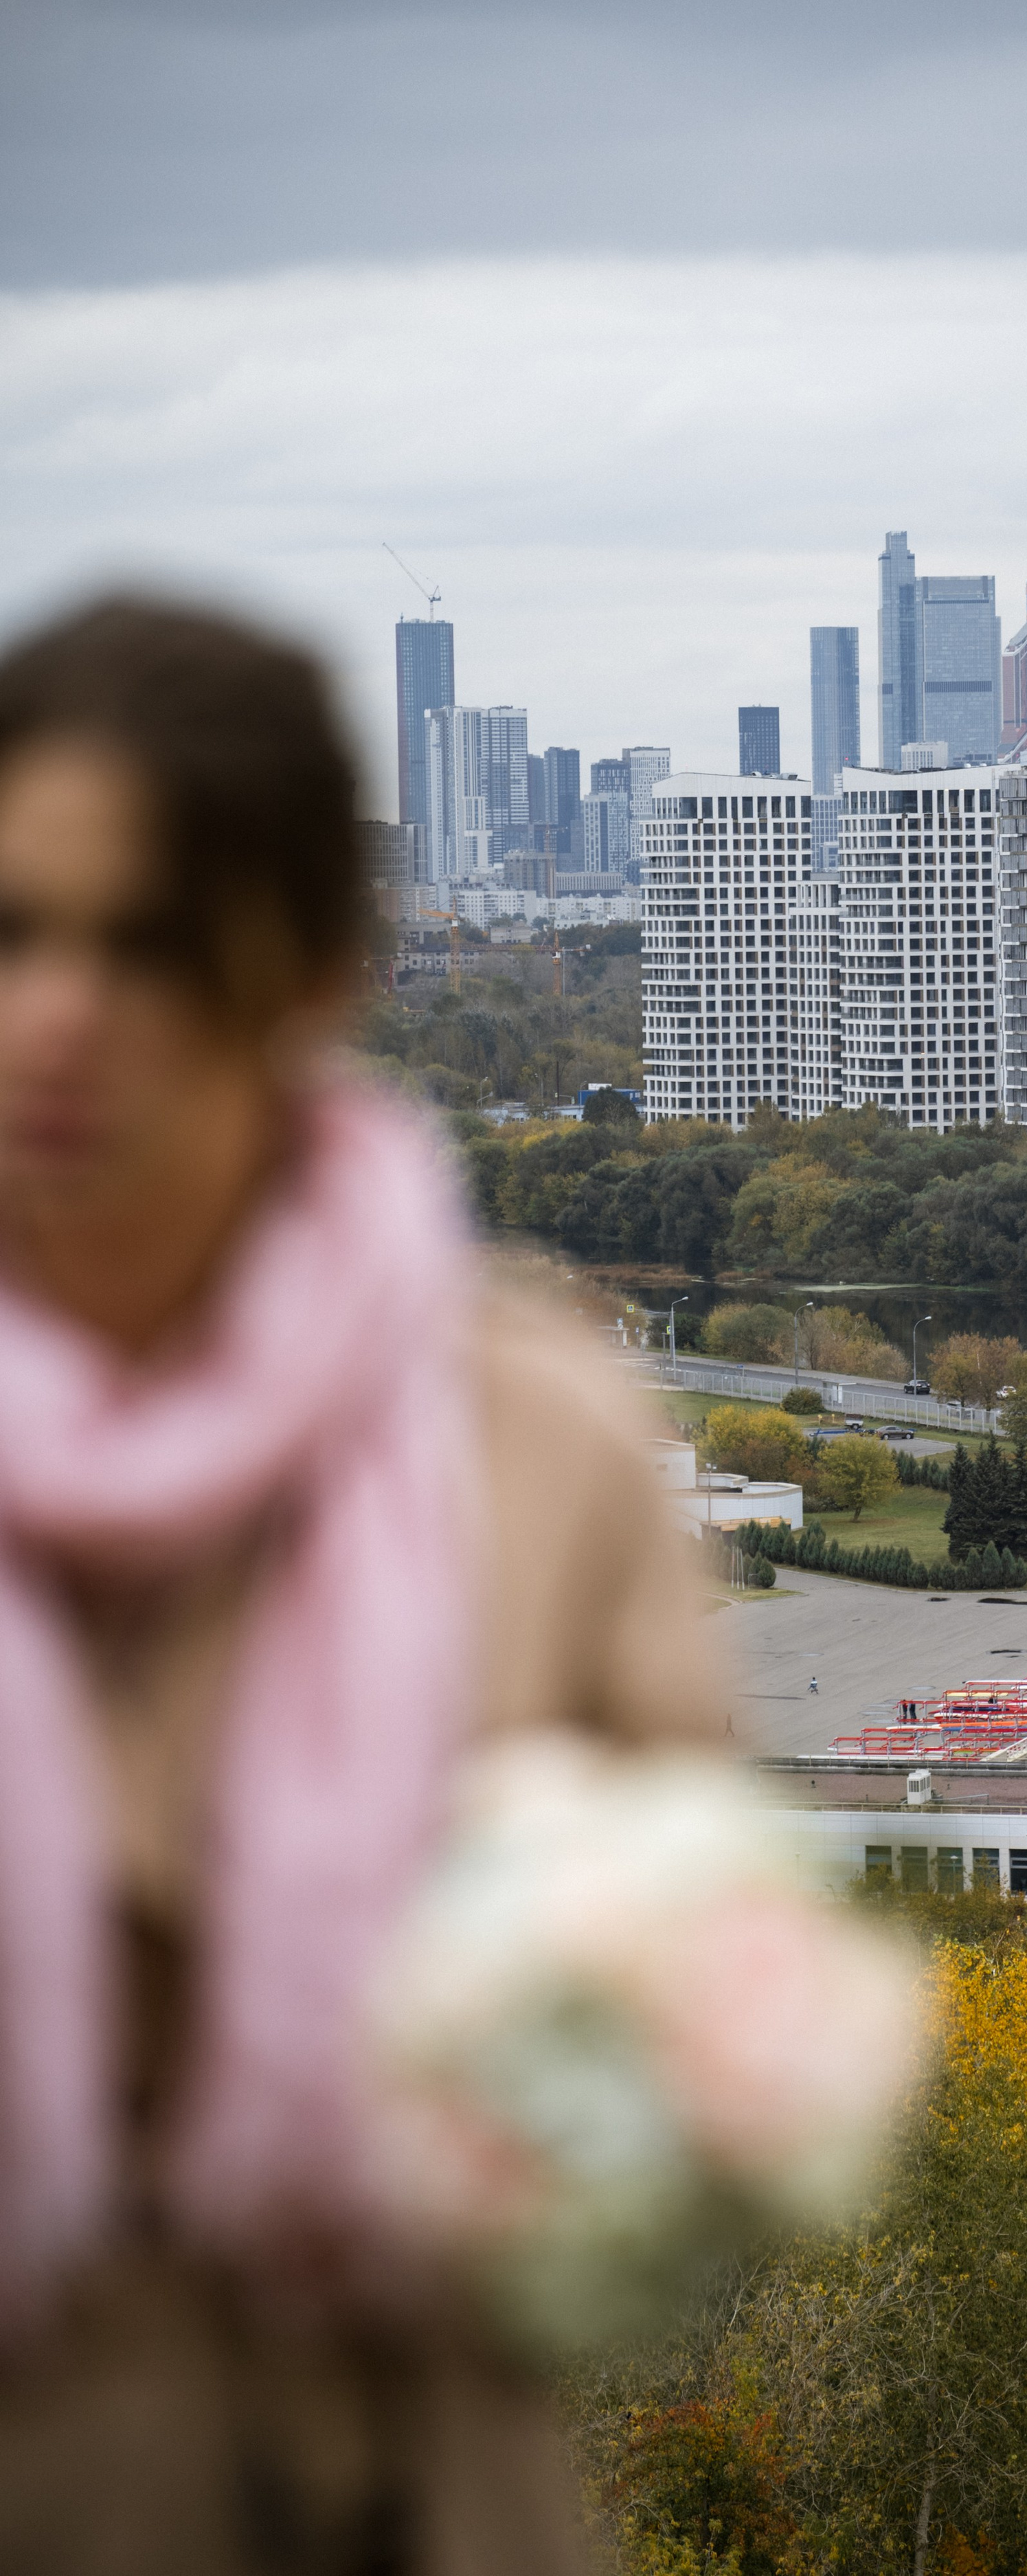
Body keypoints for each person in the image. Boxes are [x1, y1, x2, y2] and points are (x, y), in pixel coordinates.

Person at [0, 598, 721, 2574]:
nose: (55, 1011)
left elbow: (690, 2052)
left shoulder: (535, 1437)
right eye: (10, 931)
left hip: (417, 2495)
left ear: (309, 969)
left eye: (143, 941)